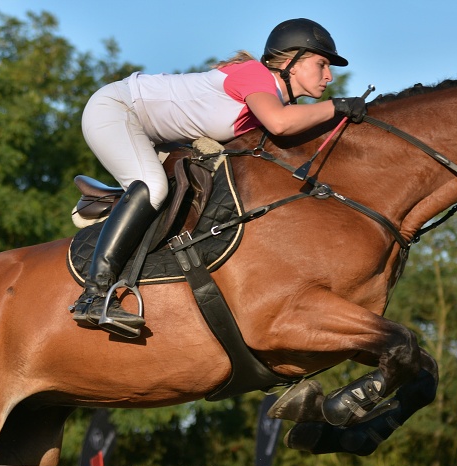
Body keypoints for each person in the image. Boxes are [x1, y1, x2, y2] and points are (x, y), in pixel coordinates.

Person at [71, 18, 368, 336]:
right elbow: (281, 123)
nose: (329, 76)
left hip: (152, 135)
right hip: (116, 109)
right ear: (292, 62)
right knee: (153, 187)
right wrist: (336, 107)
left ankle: (115, 205)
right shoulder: (256, 75)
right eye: (322, 64)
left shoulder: (274, 98)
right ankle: (94, 295)